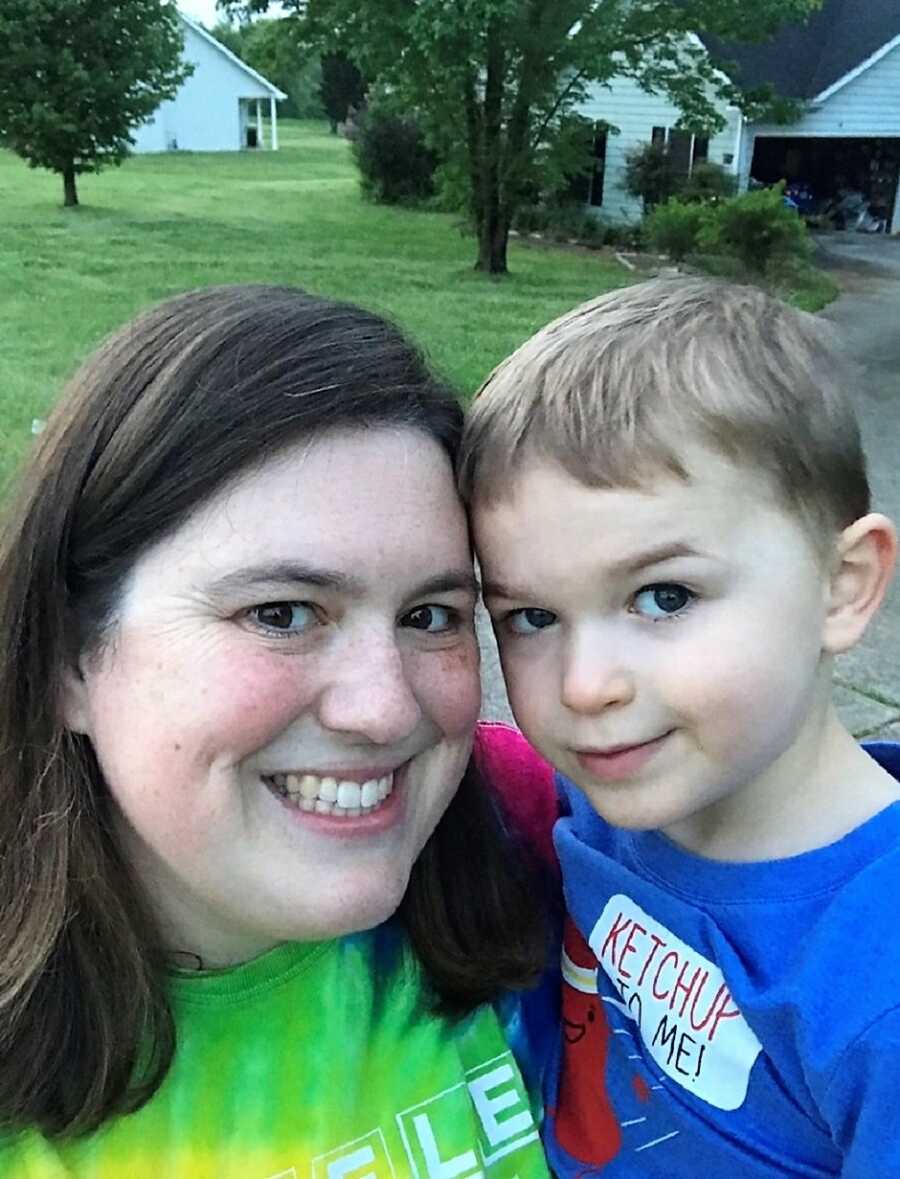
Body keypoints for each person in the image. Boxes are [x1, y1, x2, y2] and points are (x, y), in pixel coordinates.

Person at [0, 284, 555, 1178]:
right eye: (283, 613)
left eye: (431, 614)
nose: (384, 709)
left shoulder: (548, 850)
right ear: (71, 659)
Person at [459, 277, 900, 1176]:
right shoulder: (593, 807)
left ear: (844, 583)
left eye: (664, 596)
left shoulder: (875, 973)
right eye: (532, 617)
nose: (584, 686)